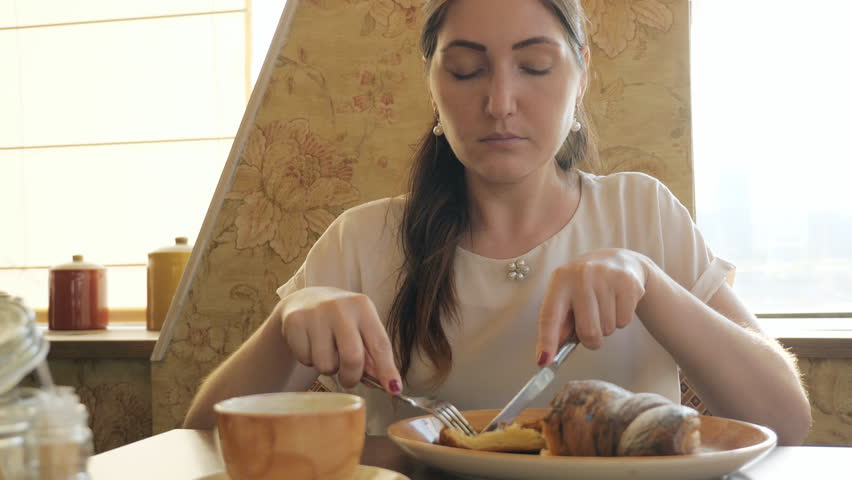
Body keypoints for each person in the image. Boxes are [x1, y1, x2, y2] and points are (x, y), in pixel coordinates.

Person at [184, 0, 811, 445]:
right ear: (432, 85)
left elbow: (786, 418)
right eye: (466, 70)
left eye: (535, 66)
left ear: (581, 74)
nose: (500, 102)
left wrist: (648, 280)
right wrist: (286, 322)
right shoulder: (363, 241)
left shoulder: (639, 212)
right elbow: (203, 439)